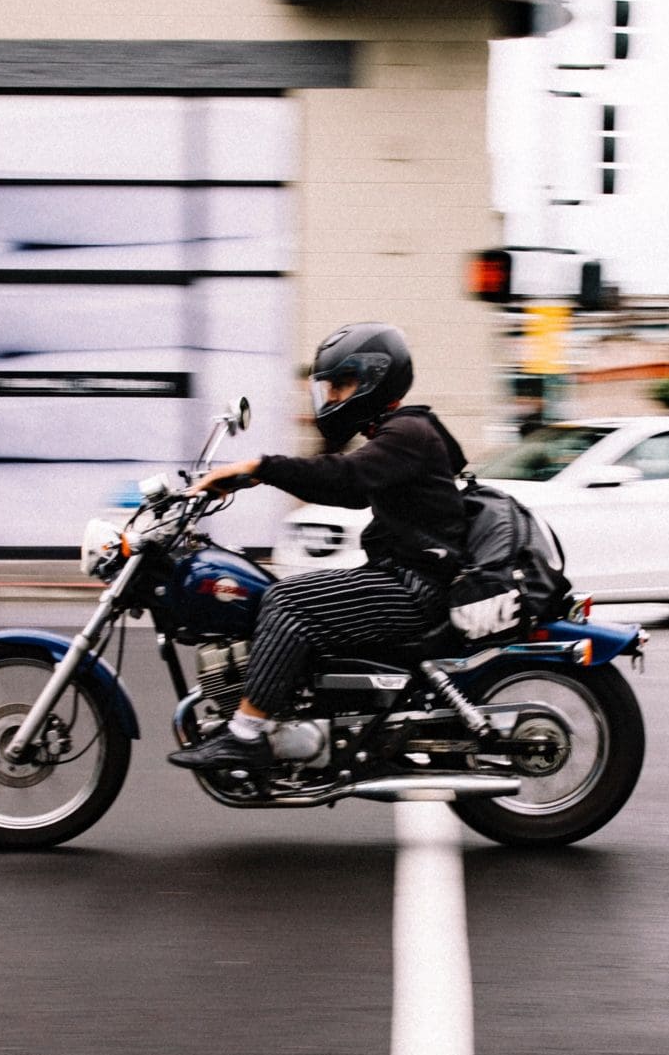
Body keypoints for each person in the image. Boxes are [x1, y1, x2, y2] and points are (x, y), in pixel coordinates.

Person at [169, 322, 467, 773]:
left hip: (414, 588)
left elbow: (343, 476)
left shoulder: (408, 433)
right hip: (403, 577)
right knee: (285, 592)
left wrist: (260, 466)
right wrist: (248, 478)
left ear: (373, 379)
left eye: (340, 386)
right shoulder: (401, 435)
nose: (330, 399)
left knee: (286, 601)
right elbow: (350, 489)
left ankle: (247, 735)